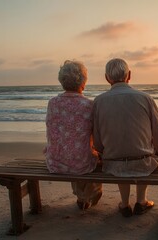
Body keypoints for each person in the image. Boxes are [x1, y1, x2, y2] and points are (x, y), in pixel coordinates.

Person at [91, 58, 158, 217]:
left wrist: (104, 153)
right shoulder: (145, 98)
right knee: (144, 153)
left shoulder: (98, 101)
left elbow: (97, 139)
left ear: (106, 78)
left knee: (120, 152)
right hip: (144, 162)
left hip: (114, 163)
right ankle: (141, 201)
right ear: (129, 75)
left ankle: (125, 204)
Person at [44, 60, 102, 210]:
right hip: (81, 162)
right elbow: (96, 134)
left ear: (62, 81)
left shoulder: (53, 103)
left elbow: (51, 131)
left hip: (56, 161)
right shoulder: (88, 105)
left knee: (72, 149)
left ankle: (81, 195)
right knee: (89, 156)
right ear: (83, 81)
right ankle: (88, 194)